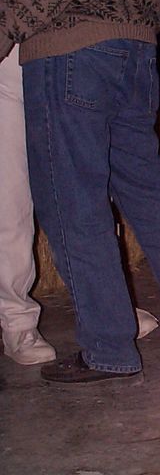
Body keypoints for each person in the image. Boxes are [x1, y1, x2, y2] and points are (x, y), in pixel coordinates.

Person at [2, 0, 160, 383]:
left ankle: (108, 347)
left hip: (68, 45)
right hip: (136, 43)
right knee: (148, 191)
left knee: (72, 201)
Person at [0, 45, 56, 366]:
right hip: (5, 60)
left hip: (60, 44)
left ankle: (105, 306)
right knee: (10, 201)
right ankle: (16, 321)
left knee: (82, 190)